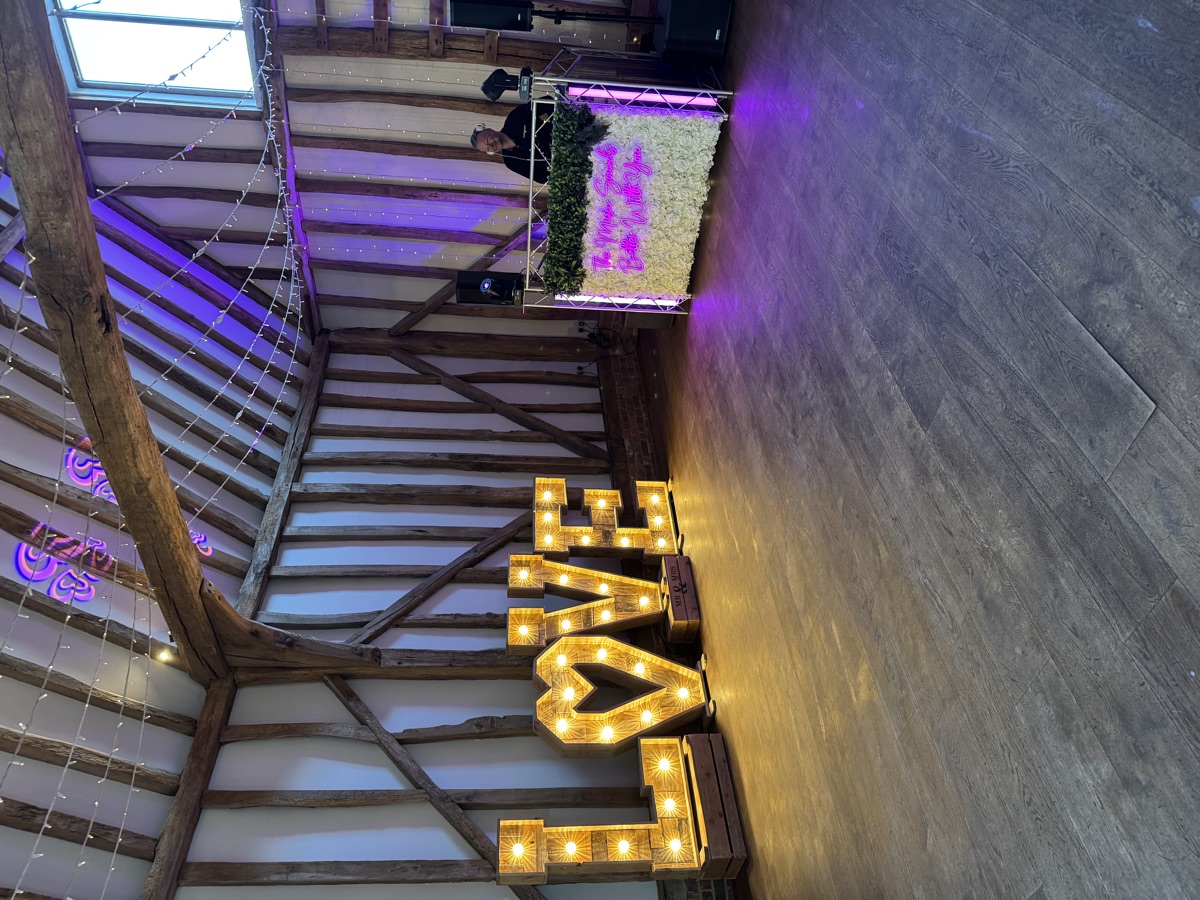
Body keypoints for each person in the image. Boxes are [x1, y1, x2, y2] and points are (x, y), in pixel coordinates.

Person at [470, 103, 553, 183]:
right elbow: (542, 178)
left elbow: (546, 103)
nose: (491, 146)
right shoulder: (511, 163)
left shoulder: (514, 118)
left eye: (487, 141)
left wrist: (560, 127)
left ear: (490, 130)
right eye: (487, 149)